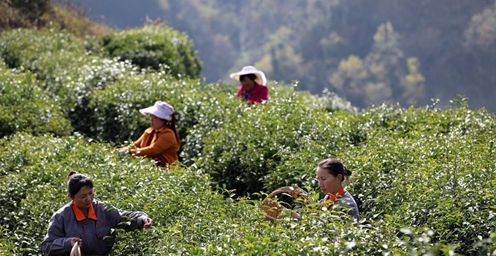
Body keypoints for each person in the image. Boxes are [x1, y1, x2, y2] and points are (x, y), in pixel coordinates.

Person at [41, 172, 153, 256]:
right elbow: (47, 246)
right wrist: (68, 243)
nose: (89, 199)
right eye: (83, 196)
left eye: (91, 193)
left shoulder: (103, 209)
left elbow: (123, 217)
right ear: (72, 197)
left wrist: (142, 219)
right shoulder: (61, 217)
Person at [271, 158, 359, 221]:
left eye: (323, 179)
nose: (320, 184)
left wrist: (294, 216)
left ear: (338, 178)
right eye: (318, 179)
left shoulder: (346, 205)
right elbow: (317, 216)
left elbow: (326, 229)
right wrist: (303, 200)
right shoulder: (328, 199)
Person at [119, 101, 180, 167]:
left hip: (167, 172)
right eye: (151, 116)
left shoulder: (168, 134)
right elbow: (136, 145)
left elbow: (152, 150)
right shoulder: (149, 131)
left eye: (155, 117)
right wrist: (123, 149)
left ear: (163, 120)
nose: (151, 119)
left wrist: (129, 152)